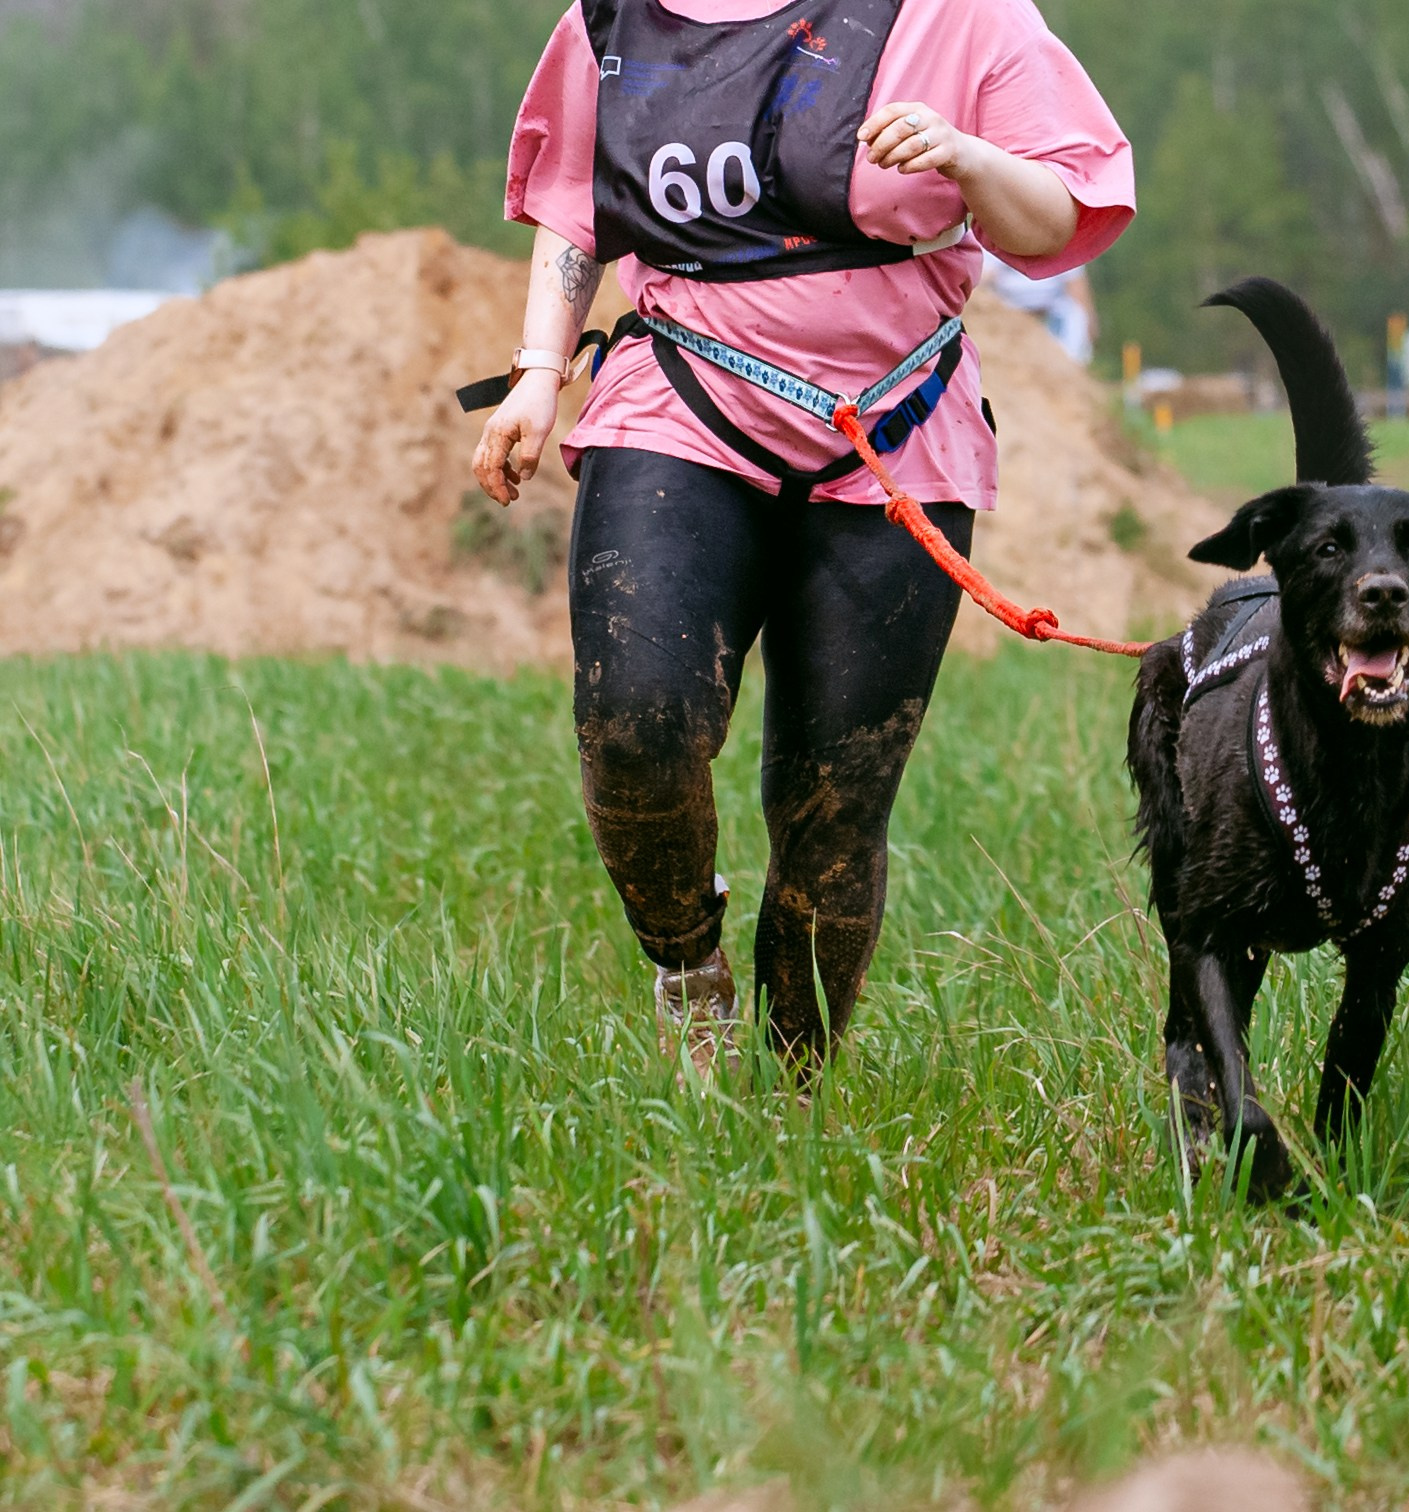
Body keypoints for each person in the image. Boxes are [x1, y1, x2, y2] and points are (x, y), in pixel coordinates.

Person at [470, 0, 1133, 1074]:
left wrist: (967, 158)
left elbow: (1053, 217)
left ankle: (792, 1102)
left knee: (833, 804)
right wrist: (538, 376)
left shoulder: (961, 14)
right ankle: (687, 965)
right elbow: (575, 208)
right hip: (678, 397)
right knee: (637, 717)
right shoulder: (615, 19)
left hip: (889, 432)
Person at [979, 251, 1097, 364]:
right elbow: (981, 280)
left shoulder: (1062, 245)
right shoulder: (992, 240)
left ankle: (1071, 363)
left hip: (1052, 311)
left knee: (1074, 312)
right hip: (1007, 310)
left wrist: (1089, 324)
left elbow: (1077, 289)